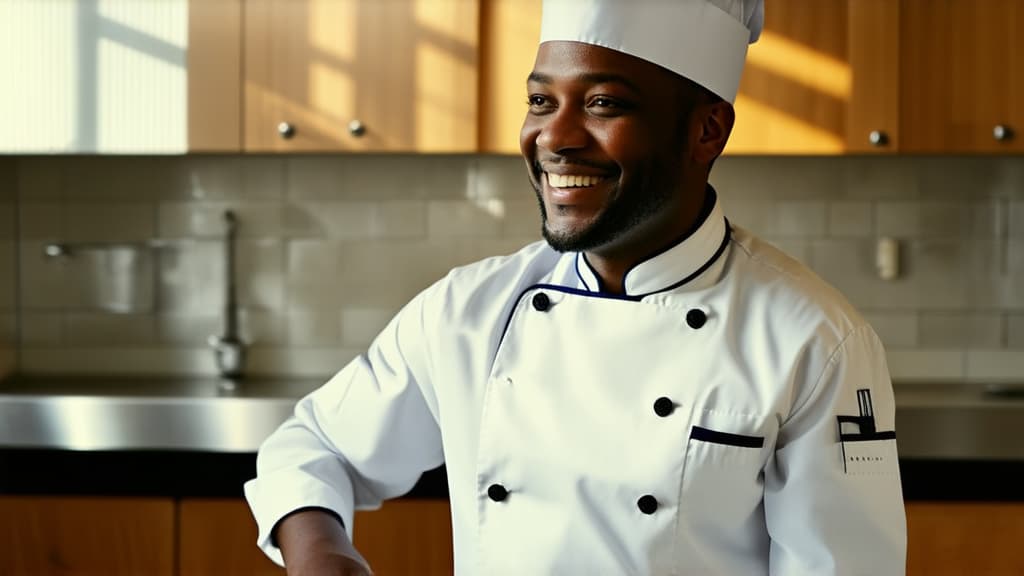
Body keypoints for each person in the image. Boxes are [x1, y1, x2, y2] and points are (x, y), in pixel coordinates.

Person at [245, 0, 907, 574]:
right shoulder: (469, 311)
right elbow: (315, 446)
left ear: (707, 130)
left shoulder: (812, 341)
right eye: (541, 101)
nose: (554, 138)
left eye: (602, 104)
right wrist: (320, 551)